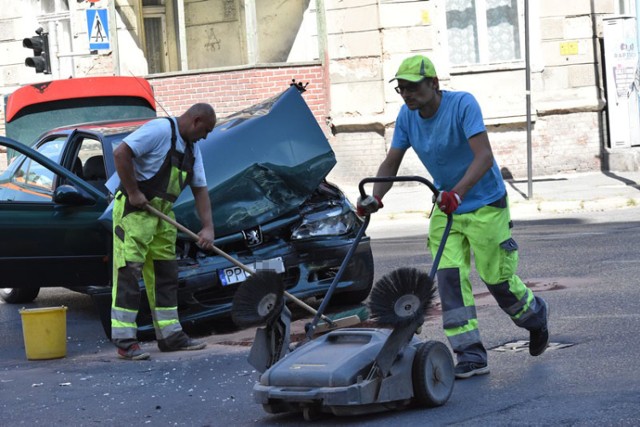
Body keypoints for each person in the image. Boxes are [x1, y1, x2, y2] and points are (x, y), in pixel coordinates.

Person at [357, 55, 550, 379]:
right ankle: (471, 354)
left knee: (498, 281)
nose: (407, 94)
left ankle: (535, 315)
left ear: (433, 84)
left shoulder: (463, 105)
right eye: (402, 89)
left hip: (486, 204)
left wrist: (458, 192)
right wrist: (375, 197)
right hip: (446, 208)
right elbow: (392, 162)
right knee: (449, 283)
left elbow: (484, 156)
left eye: (413, 88)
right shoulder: (406, 116)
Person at [111, 103, 217, 360]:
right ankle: (125, 342)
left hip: (162, 217)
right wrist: (134, 191)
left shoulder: (192, 149)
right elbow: (120, 153)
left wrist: (208, 227)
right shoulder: (159, 130)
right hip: (135, 213)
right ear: (196, 120)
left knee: (165, 276)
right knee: (129, 274)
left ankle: (170, 337)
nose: (205, 136)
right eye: (206, 130)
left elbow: (200, 188)